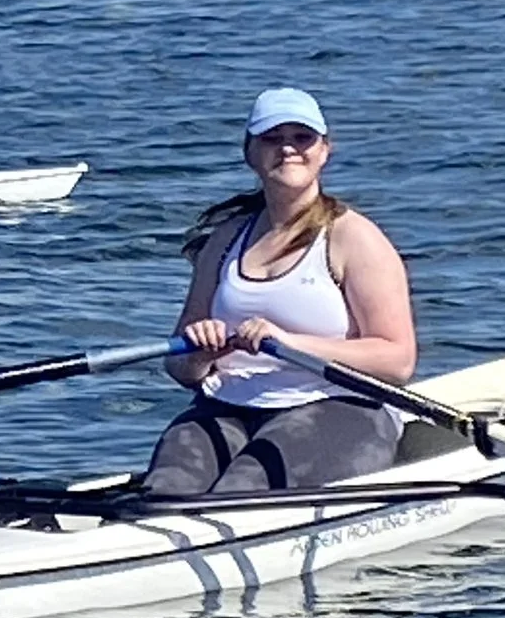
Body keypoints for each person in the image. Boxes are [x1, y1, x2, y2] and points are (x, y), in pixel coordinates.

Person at [142, 86, 416, 496]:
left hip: (338, 406)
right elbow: (180, 367)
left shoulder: (354, 238)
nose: (288, 149)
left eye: (302, 138)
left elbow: (397, 360)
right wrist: (199, 354)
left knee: (242, 488)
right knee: (165, 488)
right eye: (272, 138)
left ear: (324, 151)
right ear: (250, 153)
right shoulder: (225, 239)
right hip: (227, 406)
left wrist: (290, 343)